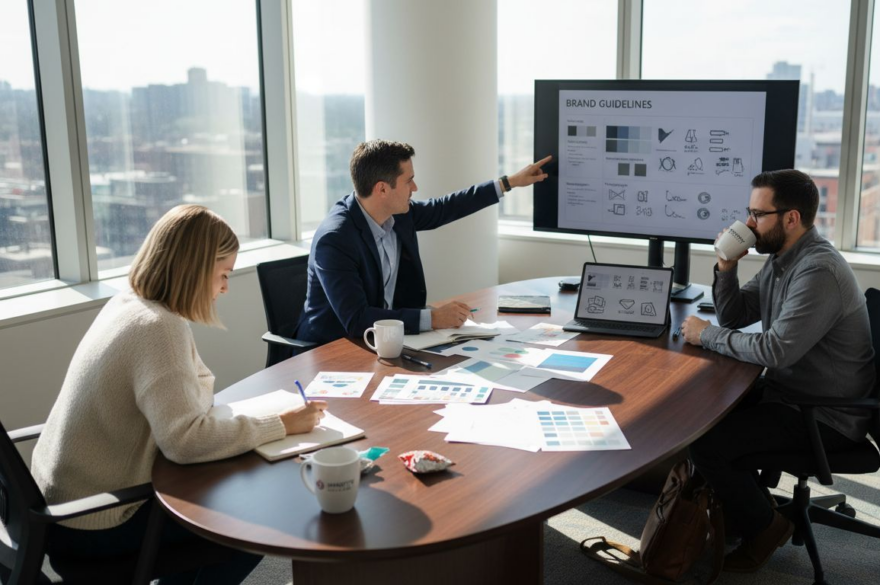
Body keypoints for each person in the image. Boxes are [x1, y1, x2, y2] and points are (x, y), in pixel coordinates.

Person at [31, 205, 328, 584]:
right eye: (223, 274)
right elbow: (183, 443)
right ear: (195, 268)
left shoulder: (129, 304)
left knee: (233, 487)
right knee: (258, 521)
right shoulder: (158, 328)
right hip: (97, 520)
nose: (224, 288)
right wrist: (279, 424)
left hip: (60, 506)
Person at [680, 169, 875, 573]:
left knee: (707, 443)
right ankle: (750, 510)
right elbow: (735, 316)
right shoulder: (783, 259)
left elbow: (775, 350)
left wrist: (707, 336)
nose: (748, 224)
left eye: (757, 214)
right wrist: (725, 265)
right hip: (790, 392)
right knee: (700, 413)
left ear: (791, 218)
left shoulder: (816, 271)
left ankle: (766, 528)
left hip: (823, 412)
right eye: (748, 213)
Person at [295, 139, 551, 345]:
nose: (415, 188)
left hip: (385, 339)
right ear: (382, 189)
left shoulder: (398, 214)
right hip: (333, 349)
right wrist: (432, 318)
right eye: (408, 181)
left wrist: (509, 183)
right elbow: (356, 318)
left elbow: (445, 207)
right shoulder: (336, 239)